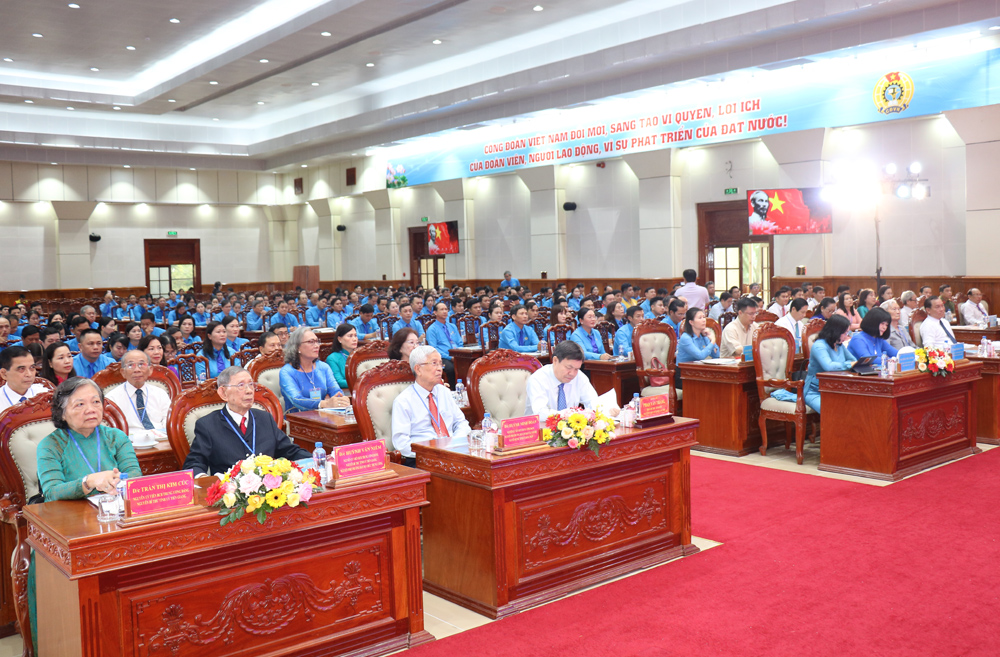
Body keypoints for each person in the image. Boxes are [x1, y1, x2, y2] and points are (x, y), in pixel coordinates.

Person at [183, 367, 310, 477]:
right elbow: (194, 463)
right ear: (223, 393)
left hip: (269, 490)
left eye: (251, 384)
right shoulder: (207, 425)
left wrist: (315, 459)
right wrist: (204, 478)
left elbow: (290, 451)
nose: (249, 391)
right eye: (241, 385)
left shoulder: (265, 418)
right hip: (231, 492)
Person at [37, 376, 142, 502]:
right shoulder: (51, 445)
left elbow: (134, 475)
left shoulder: (116, 437)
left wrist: (118, 481)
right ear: (62, 413)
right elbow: (52, 492)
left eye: (96, 402)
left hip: (114, 506)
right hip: (72, 511)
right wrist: (88, 482)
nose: (91, 410)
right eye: (80, 404)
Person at [390, 346, 471, 466]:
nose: (439, 369)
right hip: (422, 460)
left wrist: (454, 442)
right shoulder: (403, 401)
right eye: (434, 363)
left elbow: (461, 423)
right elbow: (401, 443)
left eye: (440, 364)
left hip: (453, 453)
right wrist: (432, 452)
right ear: (418, 369)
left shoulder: (444, 392)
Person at [525, 340, 617, 417]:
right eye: (568, 367)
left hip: (569, 430)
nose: (572, 373)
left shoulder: (579, 376)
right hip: (538, 430)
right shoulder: (538, 379)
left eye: (576, 369)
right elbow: (540, 413)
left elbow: (592, 402)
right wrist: (570, 414)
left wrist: (607, 410)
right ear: (555, 360)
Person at [279, 328, 350, 412]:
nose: (317, 345)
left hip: (323, 415)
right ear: (297, 347)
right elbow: (296, 399)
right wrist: (324, 404)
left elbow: (336, 390)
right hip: (297, 417)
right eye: (311, 342)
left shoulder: (323, 367)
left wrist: (340, 400)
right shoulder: (287, 372)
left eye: (317, 341)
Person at [106, 351, 171, 433]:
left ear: (150, 369)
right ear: (123, 372)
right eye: (130, 365)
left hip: (160, 437)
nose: (137, 370)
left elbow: (169, 420)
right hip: (129, 439)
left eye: (141, 364)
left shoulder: (160, 393)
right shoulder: (112, 398)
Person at [804, 315, 856, 413]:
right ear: (836, 331)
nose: (846, 336)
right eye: (845, 333)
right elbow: (828, 366)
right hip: (816, 391)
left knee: (855, 408)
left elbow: (854, 360)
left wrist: (851, 363)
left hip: (836, 389)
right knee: (834, 411)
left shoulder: (839, 345)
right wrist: (848, 365)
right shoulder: (819, 345)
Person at [676, 308, 719, 387]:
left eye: (704, 317)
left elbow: (716, 355)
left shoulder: (703, 335)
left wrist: (708, 337)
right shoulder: (686, 338)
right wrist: (713, 341)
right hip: (684, 374)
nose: (704, 320)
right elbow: (700, 356)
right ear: (691, 322)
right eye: (700, 318)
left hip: (699, 372)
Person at [0, 346, 48, 412]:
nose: (29, 374)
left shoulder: (46, 394)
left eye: (32, 367)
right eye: (21, 369)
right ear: (4, 374)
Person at [426, 302, 463, 385]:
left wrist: (460, 353)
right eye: (442, 309)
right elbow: (434, 349)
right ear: (435, 312)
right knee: (451, 368)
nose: (445, 311)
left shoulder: (452, 326)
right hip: (443, 357)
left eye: (446, 309)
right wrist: (450, 357)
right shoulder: (432, 329)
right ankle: (452, 389)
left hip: (457, 354)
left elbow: (460, 342)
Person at [324, 324, 358, 390]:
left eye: (355, 335)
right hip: (346, 392)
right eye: (350, 336)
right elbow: (338, 381)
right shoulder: (332, 358)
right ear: (340, 339)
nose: (354, 339)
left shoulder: (361, 355)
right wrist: (361, 383)